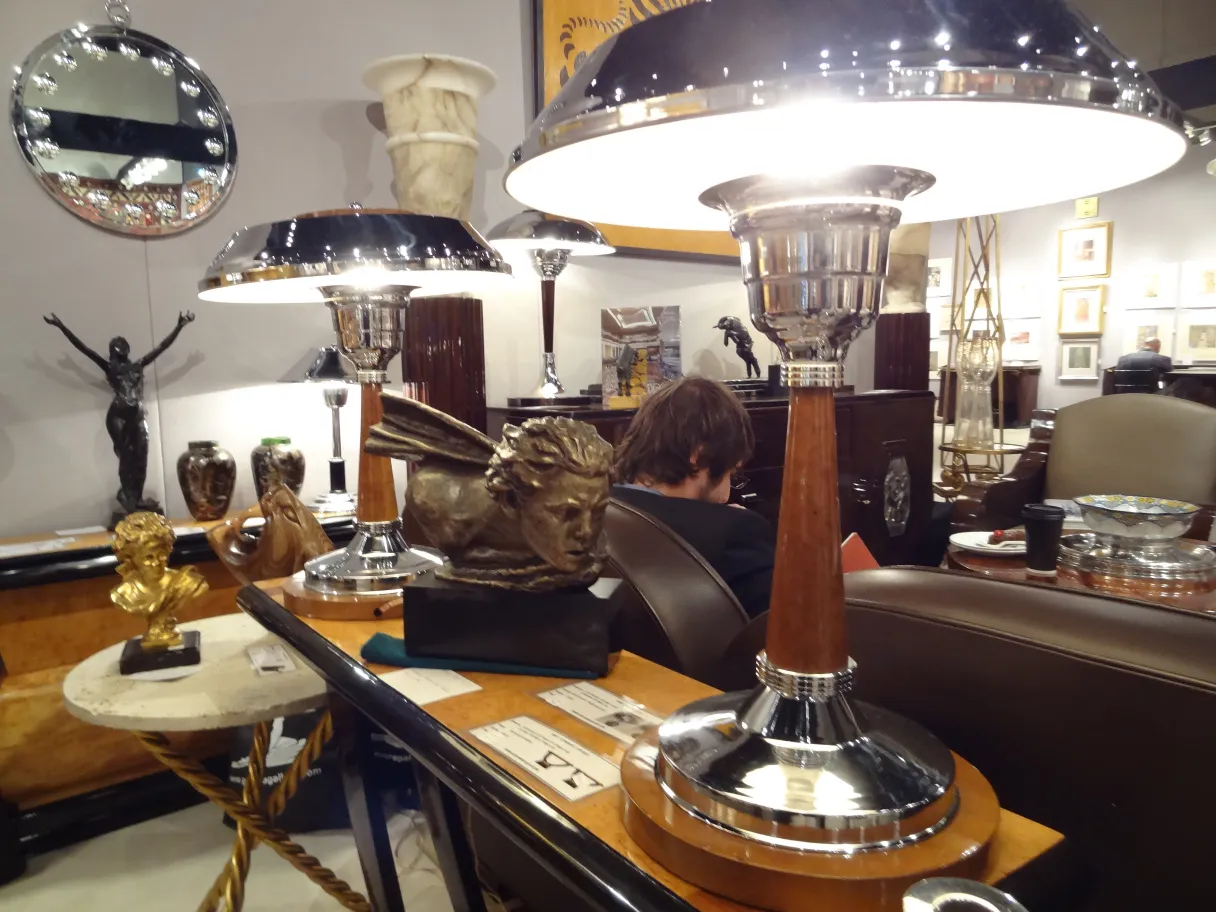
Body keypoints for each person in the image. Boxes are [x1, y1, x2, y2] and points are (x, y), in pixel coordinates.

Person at [611, 377, 774, 618]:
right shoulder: (738, 532)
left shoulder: (595, 508)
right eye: (732, 472)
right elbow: (780, 628)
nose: (727, 494)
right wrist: (727, 521)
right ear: (700, 456)